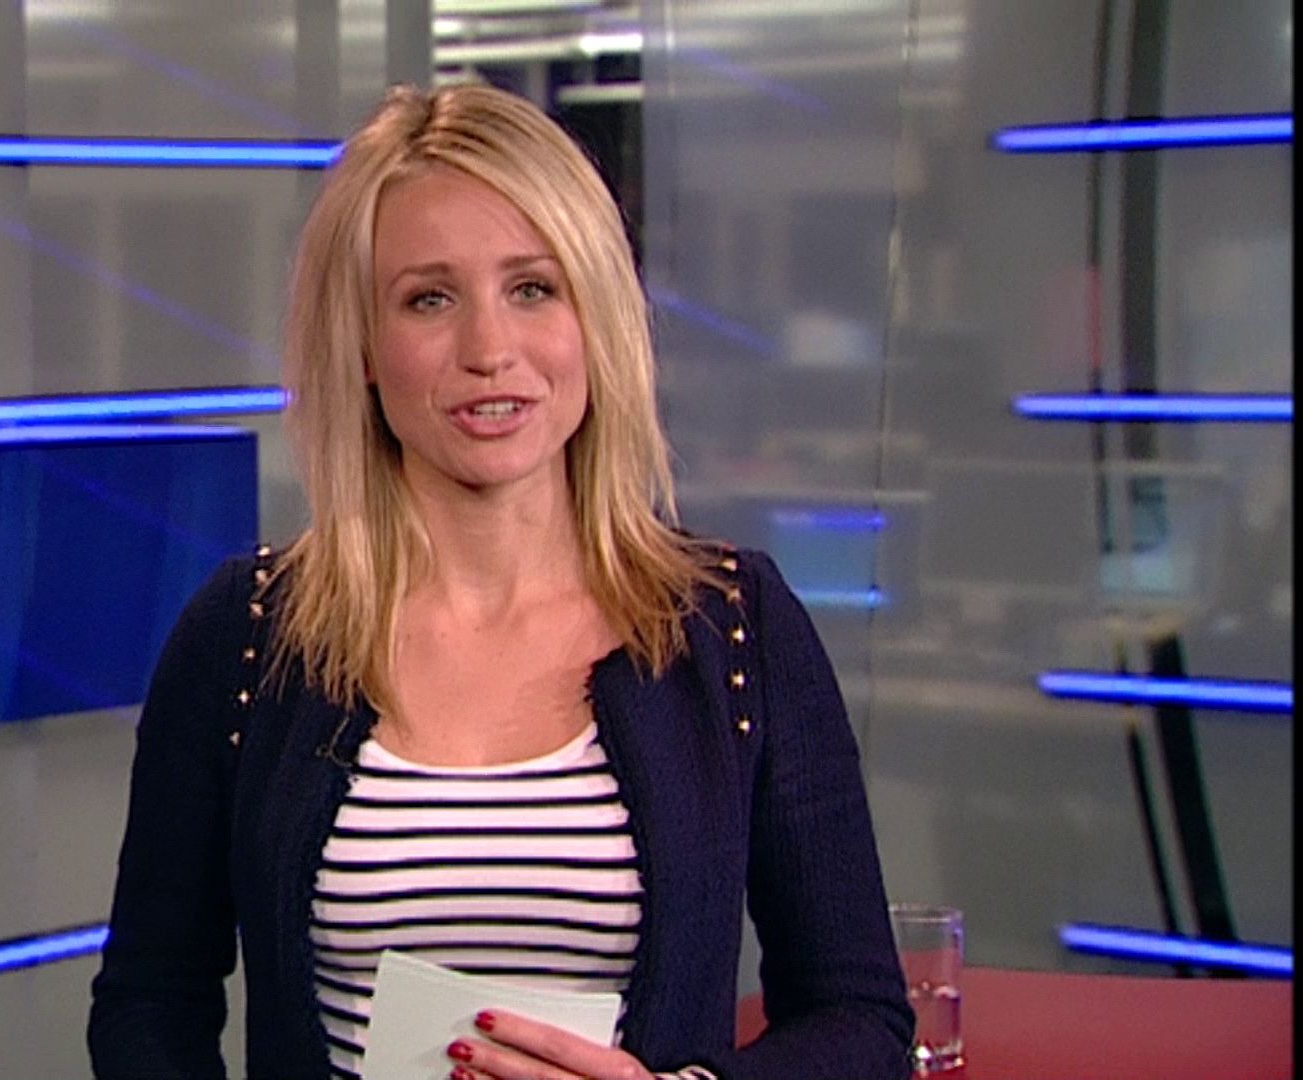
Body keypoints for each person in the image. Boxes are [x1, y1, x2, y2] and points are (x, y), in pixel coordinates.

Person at [88, 82, 911, 1080]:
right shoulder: (248, 634)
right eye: (428, 299)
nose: (489, 351)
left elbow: (858, 1018)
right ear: (363, 347)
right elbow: (149, 1007)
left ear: (595, 317)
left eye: (533, 288)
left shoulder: (735, 626)